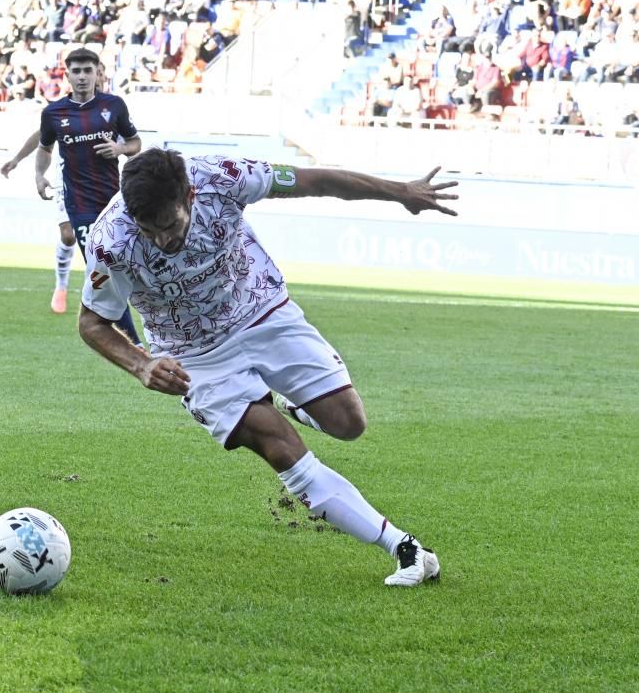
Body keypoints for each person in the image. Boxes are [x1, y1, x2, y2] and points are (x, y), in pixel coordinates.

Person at [79, 149, 456, 586]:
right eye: (149, 230)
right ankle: (406, 550)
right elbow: (92, 323)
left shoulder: (225, 176)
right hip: (196, 356)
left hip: (262, 310)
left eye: (169, 225)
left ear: (190, 194)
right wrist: (141, 365)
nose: (161, 240)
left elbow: (316, 180)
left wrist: (401, 193)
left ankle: (292, 404)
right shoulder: (112, 242)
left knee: (349, 424)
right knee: (280, 448)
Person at [5, 49, 142, 330]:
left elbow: (135, 143)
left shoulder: (114, 106)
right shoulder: (54, 112)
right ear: (67, 75)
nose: (82, 77)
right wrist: (39, 175)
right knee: (100, 267)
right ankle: (134, 343)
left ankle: (149, 332)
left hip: (115, 200)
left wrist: (120, 148)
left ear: (97, 73)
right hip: (79, 205)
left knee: (126, 266)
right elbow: (44, 146)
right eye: (76, 71)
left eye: (87, 71)